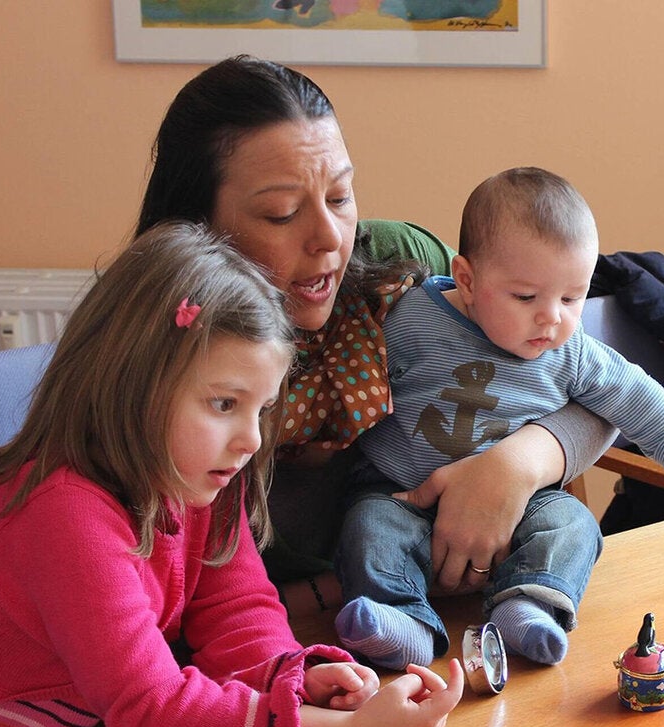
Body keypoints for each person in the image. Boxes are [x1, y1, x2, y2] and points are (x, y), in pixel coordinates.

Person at [0, 222, 462, 727]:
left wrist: (290, 674)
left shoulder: (193, 471)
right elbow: (153, 708)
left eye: (260, 410)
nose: (251, 440)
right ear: (132, 384)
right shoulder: (65, 516)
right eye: (223, 404)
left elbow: (234, 605)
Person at [135, 55, 617, 601]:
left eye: (340, 197)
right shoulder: (165, 339)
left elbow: (600, 390)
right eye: (281, 214)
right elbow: (172, 597)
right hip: (278, 640)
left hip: (460, 613)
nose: (329, 238)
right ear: (197, 228)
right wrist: (340, 589)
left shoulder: (404, 266)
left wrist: (518, 464)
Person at [334, 167, 664, 668]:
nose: (551, 318)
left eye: (570, 298)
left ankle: (528, 604)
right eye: (525, 297)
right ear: (467, 280)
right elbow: (354, 384)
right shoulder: (410, 319)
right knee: (366, 524)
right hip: (402, 495)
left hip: (520, 509)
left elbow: (632, 391)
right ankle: (403, 621)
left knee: (574, 525)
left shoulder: (569, 350)